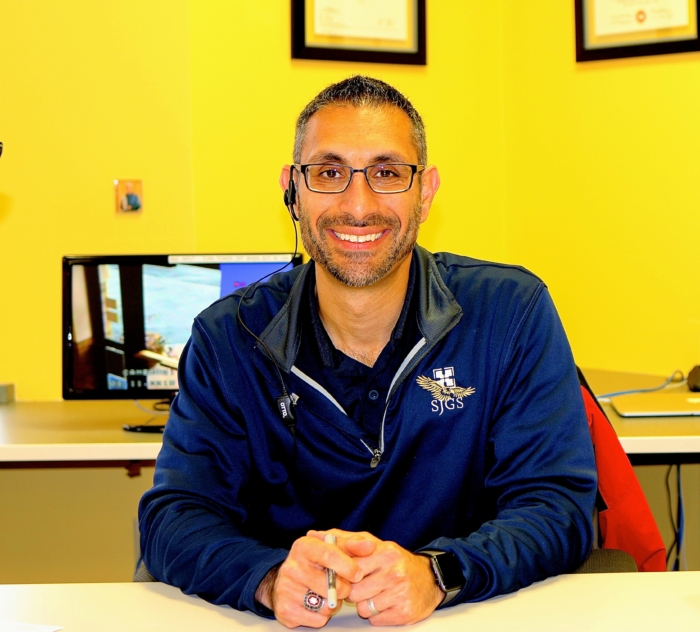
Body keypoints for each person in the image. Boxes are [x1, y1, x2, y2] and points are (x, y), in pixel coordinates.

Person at [139, 76, 597, 628]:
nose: (358, 206)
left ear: (425, 192)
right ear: (293, 189)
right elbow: (176, 517)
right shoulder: (228, 336)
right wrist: (269, 577)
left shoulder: (510, 312)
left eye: (387, 173)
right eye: (329, 173)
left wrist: (439, 573)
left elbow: (556, 503)